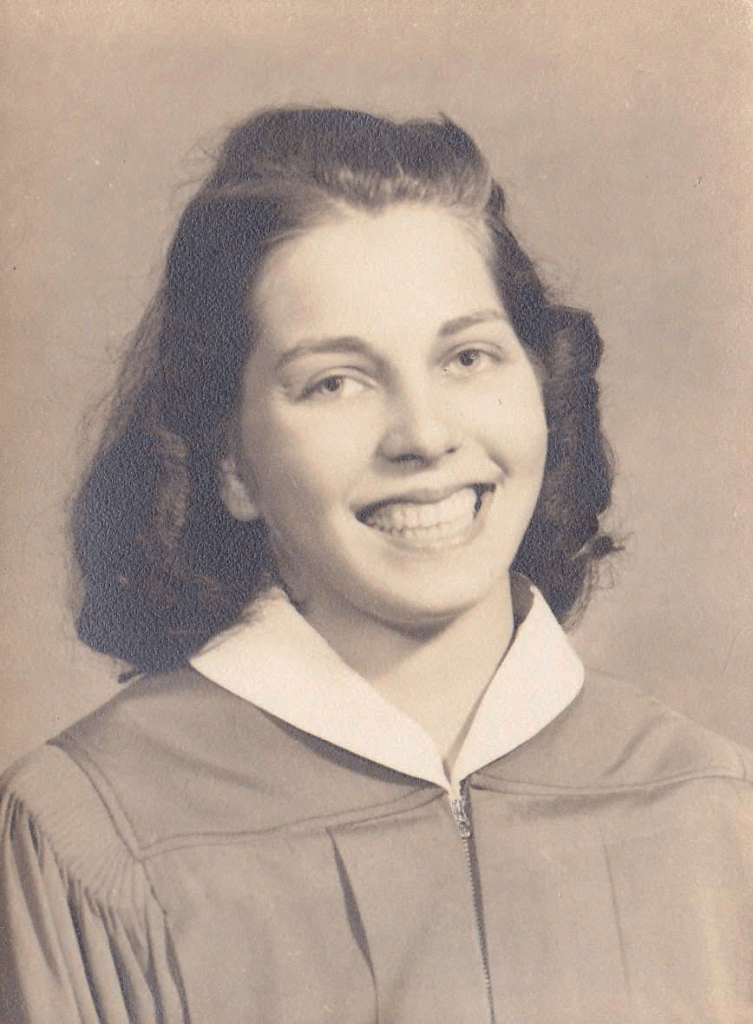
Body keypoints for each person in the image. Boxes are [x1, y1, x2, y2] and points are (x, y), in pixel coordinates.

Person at [0, 107, 750, 1024]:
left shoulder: (711, 808)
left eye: (467, 357)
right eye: (335, 381)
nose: (424, 435)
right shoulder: (93, 833)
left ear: (541, 394)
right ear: (230, 462)